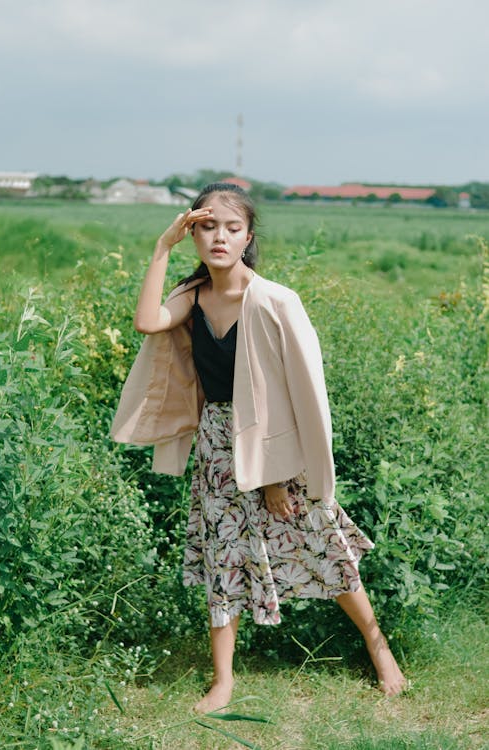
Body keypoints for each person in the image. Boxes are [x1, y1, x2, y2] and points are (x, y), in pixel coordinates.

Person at [111, 182, 407, 713]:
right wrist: (161, 248)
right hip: (219, 447)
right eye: (206, 227)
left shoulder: (274, 301)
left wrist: (275, 476)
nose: (218, 237)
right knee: (224, 556)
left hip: (278, 447)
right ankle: (223, 680)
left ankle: (379, 649)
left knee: (321, 543)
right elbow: (146, 321)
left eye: (231, 228)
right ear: (193, 232)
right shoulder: (193, 295)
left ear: (248, 236)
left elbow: (300, 392)